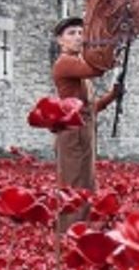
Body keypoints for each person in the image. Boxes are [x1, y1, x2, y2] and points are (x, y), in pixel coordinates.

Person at [50, 17, 122, 209]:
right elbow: (97, 69)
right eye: (71, 33)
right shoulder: (65, 63)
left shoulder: (77, 65)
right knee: (73, 188)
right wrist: (111, 48)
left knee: (86, 186)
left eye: (81, 33)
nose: (78, 37)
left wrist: (112, 95)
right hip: (73, 135)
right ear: (60, 40)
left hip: (84, 134)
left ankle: (82, 233)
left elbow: (90, 109)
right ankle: (70, 234)